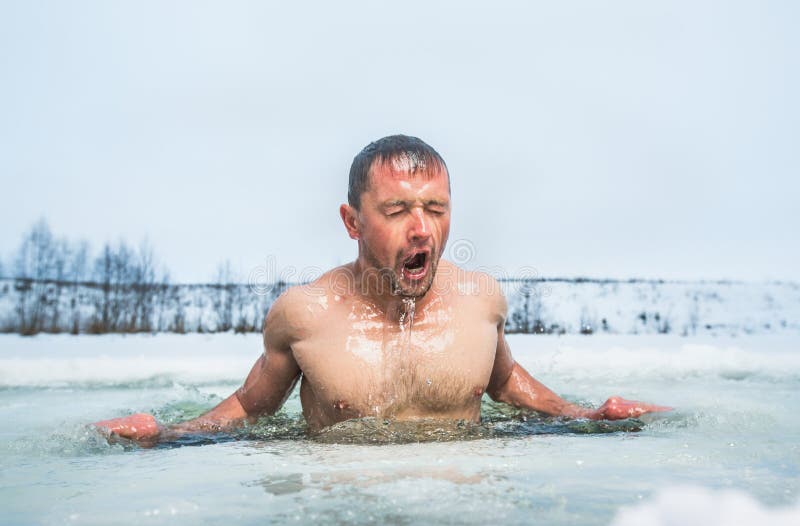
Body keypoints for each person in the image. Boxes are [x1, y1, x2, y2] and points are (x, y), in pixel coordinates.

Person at [93, 135, 669, 445]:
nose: (422, 228)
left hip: (457, 502)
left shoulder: (481, 301)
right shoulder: (304, 314)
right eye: (397, 210)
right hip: (346, 504)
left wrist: (586, 414)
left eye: (436, 209)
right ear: (352, 221)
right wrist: (168, 433)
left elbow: (504, 384)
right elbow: (252, 407)